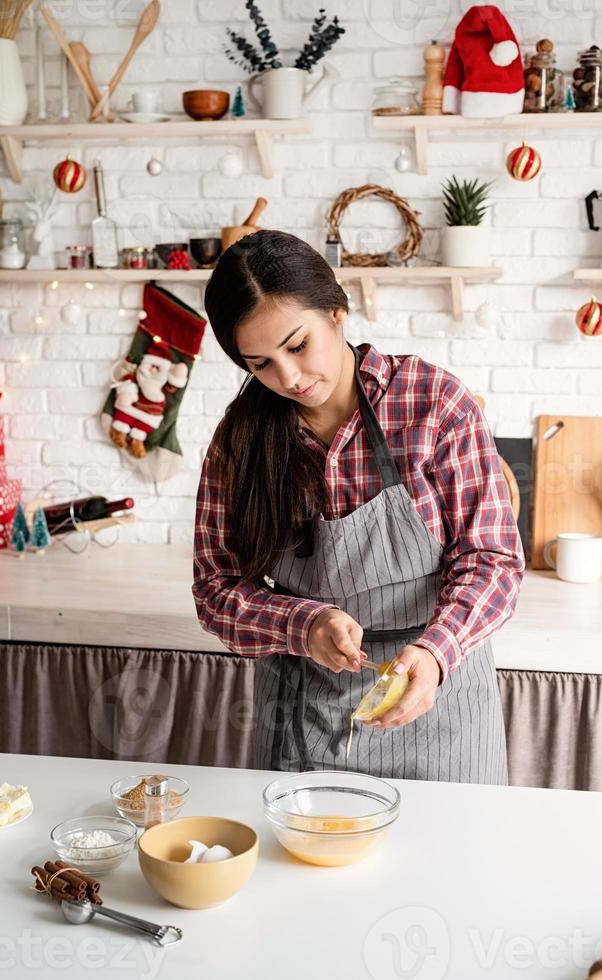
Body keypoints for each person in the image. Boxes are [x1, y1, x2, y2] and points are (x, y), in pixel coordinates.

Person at [193, 230, 525, 783]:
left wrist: (437, 652)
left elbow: (492, 560)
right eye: (261, 365)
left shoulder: (433, 404)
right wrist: (304, 623)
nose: (289, 379)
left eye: (297, 346)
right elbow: (215, 589)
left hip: (441, 711)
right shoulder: (240, 441)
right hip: (304, 719)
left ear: (336, 311)